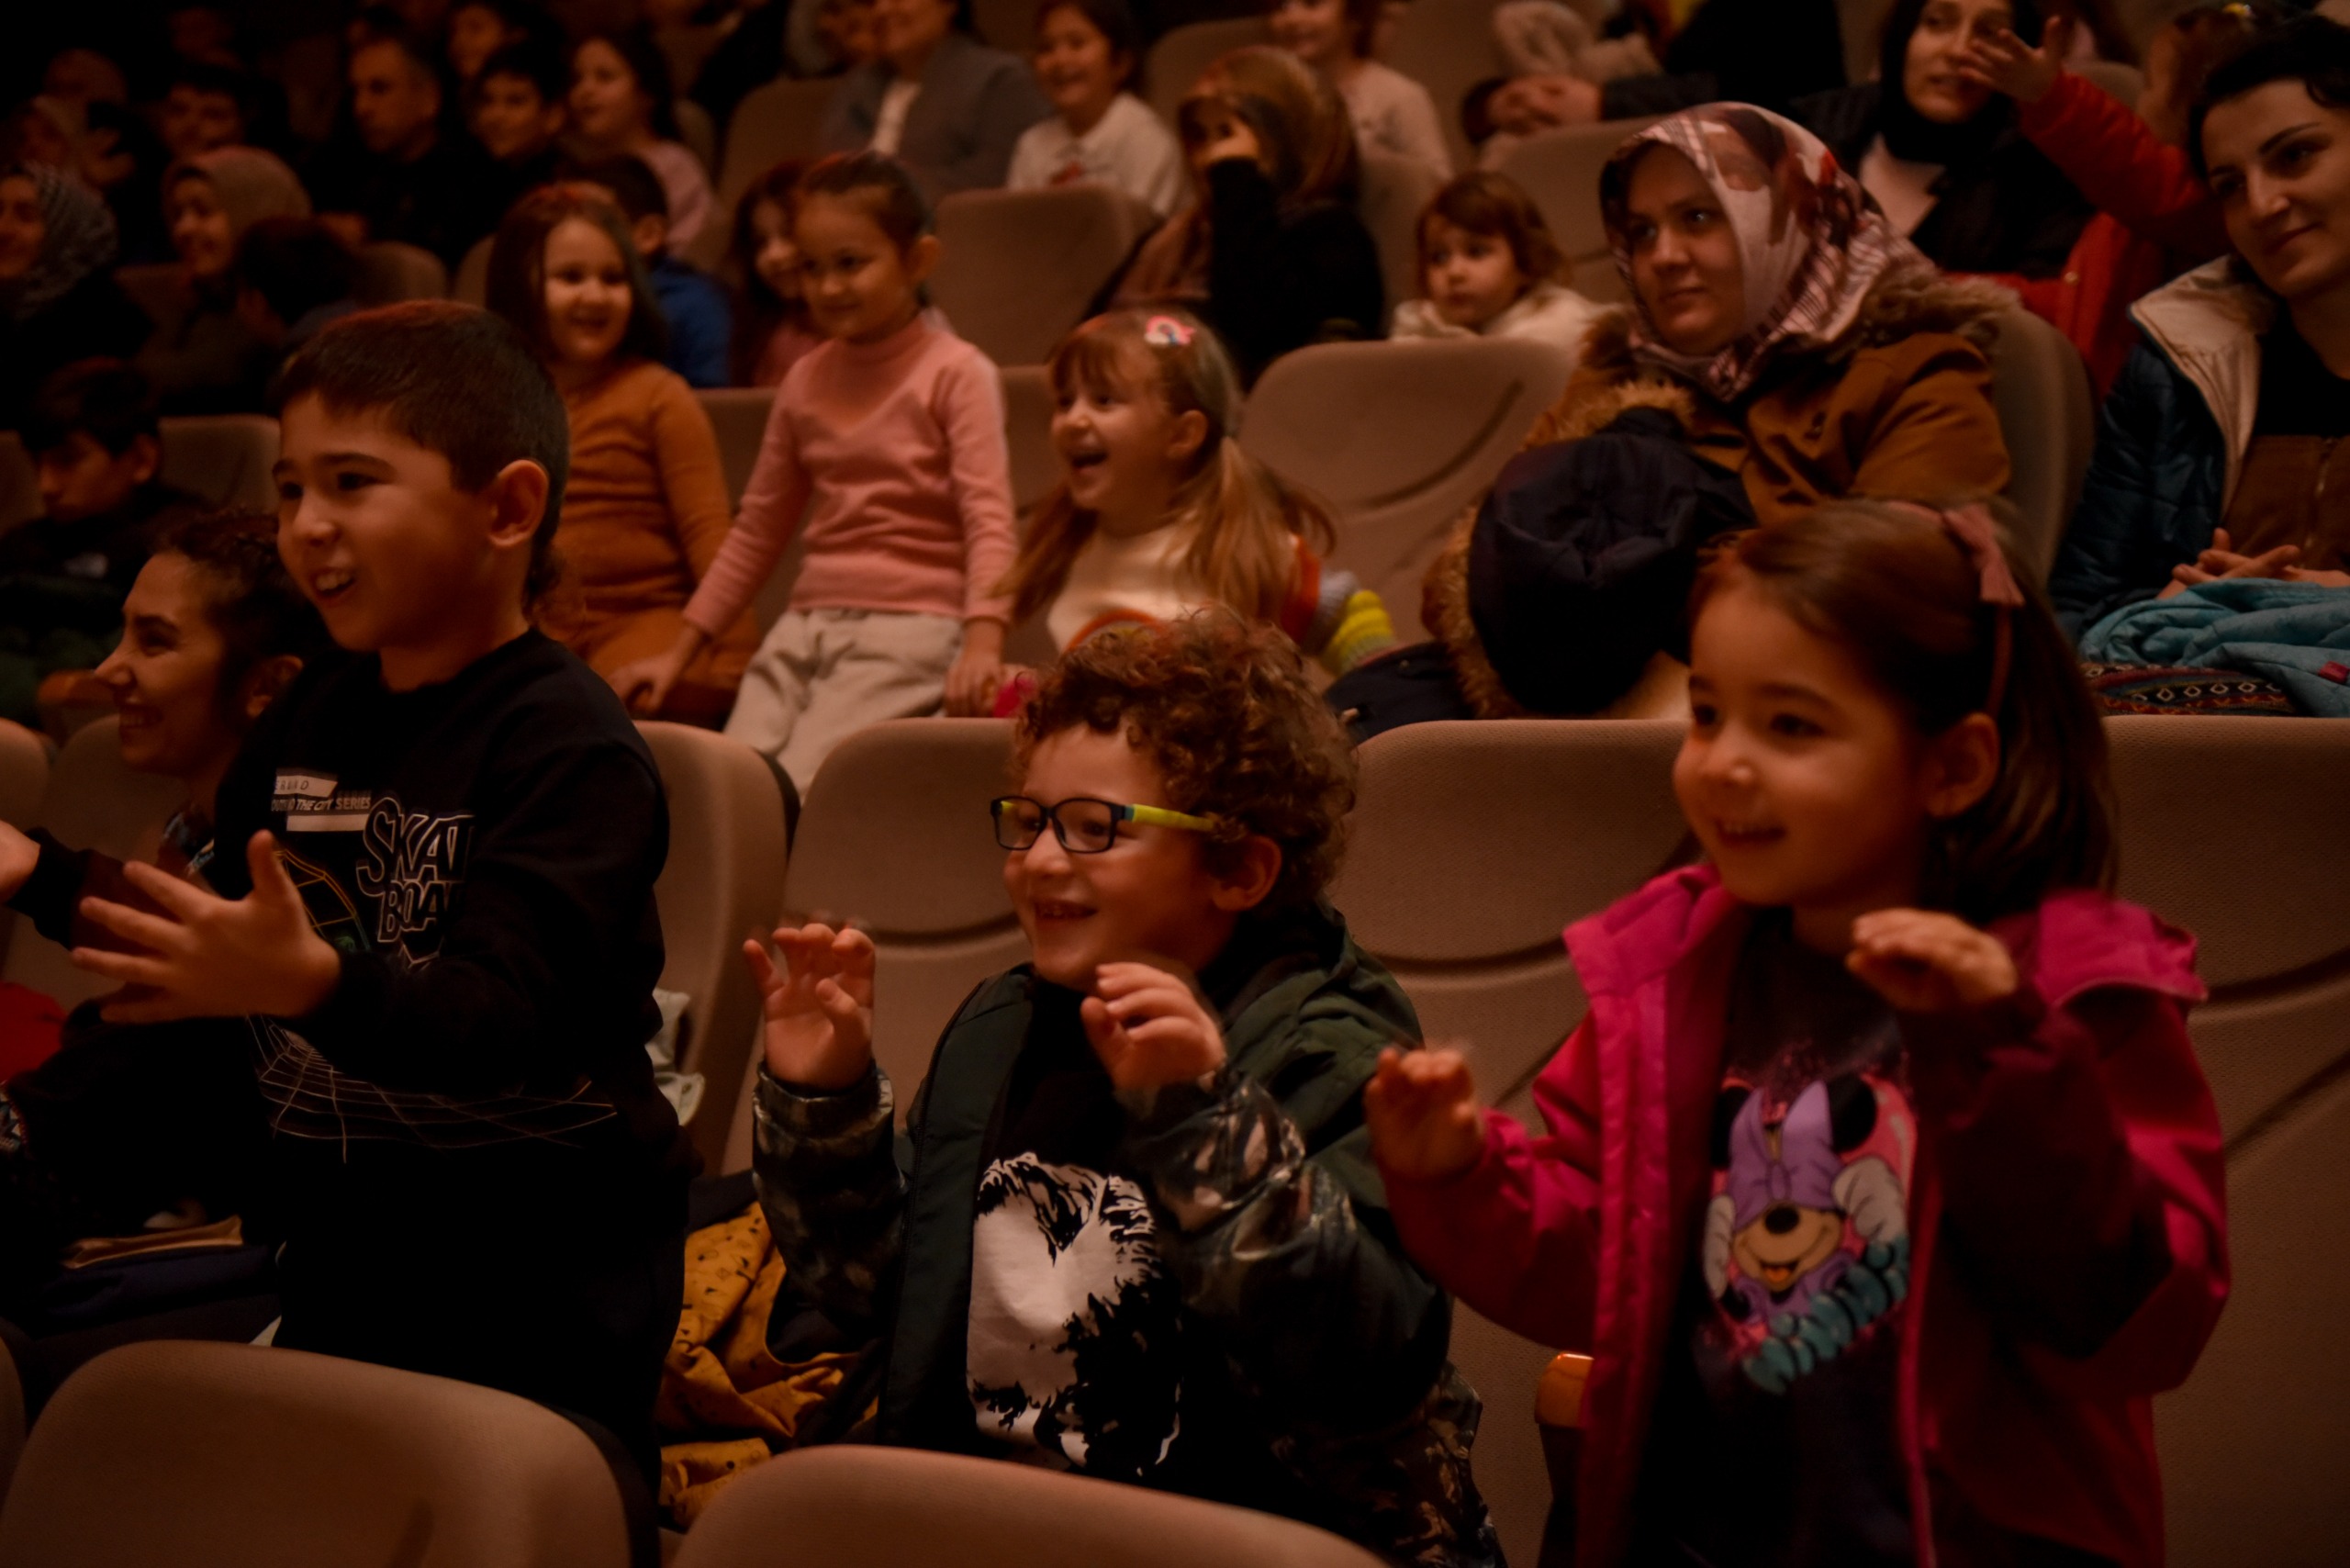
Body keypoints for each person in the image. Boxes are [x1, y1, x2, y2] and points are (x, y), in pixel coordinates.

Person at [1369, 498, 2229, 1568]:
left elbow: (2134, 1315)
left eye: (1790, 726)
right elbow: (1607, 1266)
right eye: (1705, 712)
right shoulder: (1677, 971)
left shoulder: (2069, 991)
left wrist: (1999, 1054)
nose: (1722, 763)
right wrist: (1458, 1176)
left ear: (1952, 766)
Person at [62, 301, 697, 1476]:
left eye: (353, 483)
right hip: (343, 1262)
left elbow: (499, 1015)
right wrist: (43, 882)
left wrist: (312, 983)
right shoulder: (320, 708)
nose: (307, 526)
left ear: (507, 507)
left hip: (539, 1293)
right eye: (293, 485)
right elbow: (210, 961)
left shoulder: (570, 745)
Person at [746, 612, 1500, 1568]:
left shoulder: (1327, 1046)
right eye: (1027, 820)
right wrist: (828, 1108)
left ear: (1238, 867)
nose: (1042, 861)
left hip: (1237, 1537)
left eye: (1096, 828)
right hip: (993, 1527)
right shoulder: (1000, 1028)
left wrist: (1201, 1118)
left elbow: (1358, 1361)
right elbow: (878, 1302)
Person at [1420, 106, 2012, 719]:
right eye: (1642, 231)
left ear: (1790, 216)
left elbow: (1898, 601)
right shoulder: (1618, 377)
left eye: (1699, 218)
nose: (1663, 256)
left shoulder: (1918, 367)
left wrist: (1624, 582)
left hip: (1808, 723)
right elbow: (1456, 581)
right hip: (1577, 725)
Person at [612, 154, 1017, 790]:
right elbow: (757, 530)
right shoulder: (805, 379)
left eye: (851, 263)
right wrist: (681, 652)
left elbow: (989, 520)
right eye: (812, 268)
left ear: (918, 261)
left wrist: (983, 644)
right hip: (805, 628)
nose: (828, 287)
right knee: (729, 788)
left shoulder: (958, 372)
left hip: (910, 631)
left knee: (799, 789)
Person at [0, 511, 324, 1283]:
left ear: (267, 687)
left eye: (154, 641)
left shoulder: (293, 875)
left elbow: (146, 1086)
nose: (110, 670)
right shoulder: (206, 827)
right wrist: (37, 871)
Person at [2051, 13, 2350, 640]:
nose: (2263, 205)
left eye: (2295, 156)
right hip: (2203, 716)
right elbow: (2076, 611)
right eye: (2230, 186)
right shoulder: (2174, 364)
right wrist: (2164, 608)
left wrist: (2334, 605)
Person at [997, 309, 1393, 689]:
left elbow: (1344, 615)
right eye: (1065, 401)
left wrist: (1382, 679)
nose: (1074, 420)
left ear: (1182, 435)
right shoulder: (1068, 549)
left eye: (1103, 401)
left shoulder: (1242, 550)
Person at [486, 185, 757, 723]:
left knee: (600, 707)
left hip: (645, 621)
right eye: (571, 278)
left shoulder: (659, 394)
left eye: (613, 279)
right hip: (534, 627)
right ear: (521, 287)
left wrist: (737, 662)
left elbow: (712, 537)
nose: (596, 296)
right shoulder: (495, 400)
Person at [1953, 4, 2264, 396]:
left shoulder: (2208, 208)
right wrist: (1952, 290)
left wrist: (2050, 97)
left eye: (2150, 84)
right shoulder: (2135, 215)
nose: (2139, 99)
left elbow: (2127, 165)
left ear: (2190, 104)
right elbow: (2080, 302)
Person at [1115, 47, 1385, 386]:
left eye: (1227, 134)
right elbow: (1082, 346)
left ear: (1288, 135)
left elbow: (1256, 334)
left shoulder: (1334, 236)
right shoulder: (1168, 239)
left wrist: (1237, 177)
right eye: (1200, 136)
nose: (1209, 156)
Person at [1792, 0, 2092, 280]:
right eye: (1938, 23)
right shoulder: (1806, 133)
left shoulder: (2042, 177)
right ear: (1904, 34)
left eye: (1990, 33)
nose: (1960, 50)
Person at [0, 361, 208, 727]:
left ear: (141, 459)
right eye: (38, 463)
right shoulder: (23, 546)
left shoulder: (185, 547)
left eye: (67, 460)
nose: (46, 485)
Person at [307, 24, 508, 268]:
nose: (361, 108)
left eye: (380, 89)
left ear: (428, 99)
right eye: (355, 91)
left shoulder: (474, 181)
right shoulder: (343, 168)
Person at [135, 147, 313, 417]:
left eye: (203, 211)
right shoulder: (201, 301)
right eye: (178, 213)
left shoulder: (284, 317)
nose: (183, 229)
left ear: (256, 210)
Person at [819, 0, 1052, 196]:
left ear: (949, 4)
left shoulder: (999, 80)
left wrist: (888, 195)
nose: (882, 9)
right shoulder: (858, 85)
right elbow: (830, 178)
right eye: (875, 0)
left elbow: (996, 178)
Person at [1006, 0, 1187, 220]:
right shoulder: (1032, 144)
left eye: (1077, 44)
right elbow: (1019, 230)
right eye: (1047, 48)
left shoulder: (1146, 140)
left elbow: (1141, 237)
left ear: (1120, 63)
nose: (1060, 60)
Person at [0, 163, 147, 431]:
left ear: (65, 227)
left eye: (25, 216)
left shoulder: (101, 319)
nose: (3, 230)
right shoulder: (9, 313)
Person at [1389, 171, 1602, 354]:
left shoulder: (1558, 326)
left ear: (1526, 262)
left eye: (1476, 252)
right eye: (1439, 258)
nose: (1454, 272)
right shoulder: (1419, 328)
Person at [572, 153, 733, 390]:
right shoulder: (559, 296)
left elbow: (718, 407)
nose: (572, 233)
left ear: (648, 234)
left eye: (597, 221)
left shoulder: (696, 306)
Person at [568, 29, 717, 254]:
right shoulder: (572, 167)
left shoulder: (674, 166)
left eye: (605, 77)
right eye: (577, 79)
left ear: (646, 94)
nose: (585, 90)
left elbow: (688, 253)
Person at [1266, 0, 1451, 182]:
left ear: (1354, 16)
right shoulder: (1269, 97)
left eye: (1312, 4)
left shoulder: (1398, 96)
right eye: (1282, 6)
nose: (1292, 18)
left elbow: (1436, 184)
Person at [727, 159, 823, 387]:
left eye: (788, 233)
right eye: (761, 243)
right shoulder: (764, 334)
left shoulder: (855, 333)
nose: (775, 255)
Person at [470, 38, 570, 201]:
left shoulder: (564, 188)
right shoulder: (468, 177)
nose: (496, 115)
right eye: (487, 100)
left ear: (553, 116)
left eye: (515, 101)